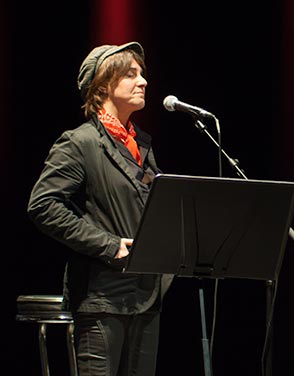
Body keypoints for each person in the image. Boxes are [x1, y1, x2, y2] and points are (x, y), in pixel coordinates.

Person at [27, 41, 173, 375]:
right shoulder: (80, 142)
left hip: (146, 296)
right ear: (105, 84)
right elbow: (43, 204)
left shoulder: (141, 146)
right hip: (102, 298)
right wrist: (108, 244)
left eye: (142, 74)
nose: (144, 81)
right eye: (131, 74)